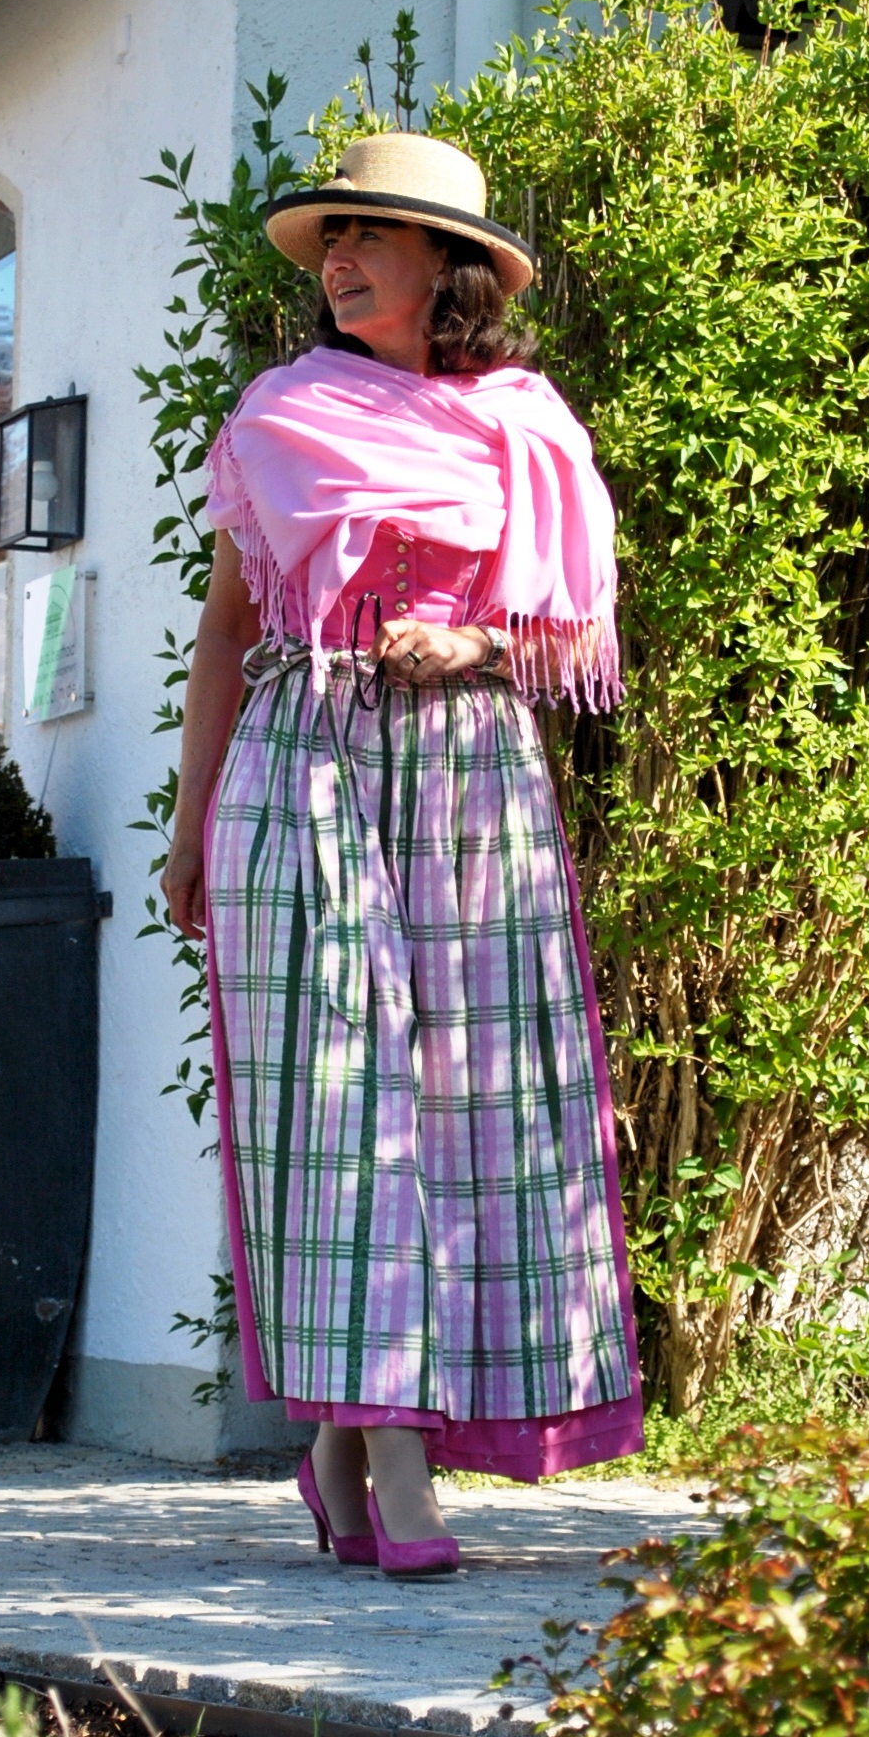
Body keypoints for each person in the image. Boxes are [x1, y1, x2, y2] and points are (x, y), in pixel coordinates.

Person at [161, 131, 643, 1576]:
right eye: (333, 244)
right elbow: (228, 635)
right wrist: (189, 827)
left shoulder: (526, 427)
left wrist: (479, 640)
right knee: (336, 1099)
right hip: (301, 760)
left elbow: (569, 638)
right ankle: (397, 1462)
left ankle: (340, 1442)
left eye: (376, 237)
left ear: (455, 271)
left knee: (466, 1109)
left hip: (468, 775)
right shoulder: (280, 415)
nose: (346, 260)